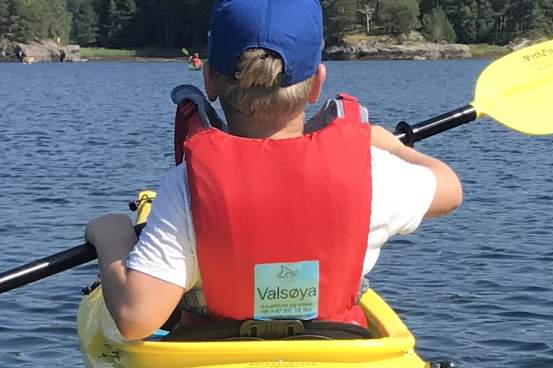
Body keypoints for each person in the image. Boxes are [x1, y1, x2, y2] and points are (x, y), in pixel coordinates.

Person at [84, 0, 462, 342]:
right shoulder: (372, 170)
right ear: (317, 83)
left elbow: (137, 318)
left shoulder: (189, 186)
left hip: (216, 357)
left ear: (209, 80)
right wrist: (391, 146)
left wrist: (112, 237)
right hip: (334, 354)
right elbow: (450, 190)